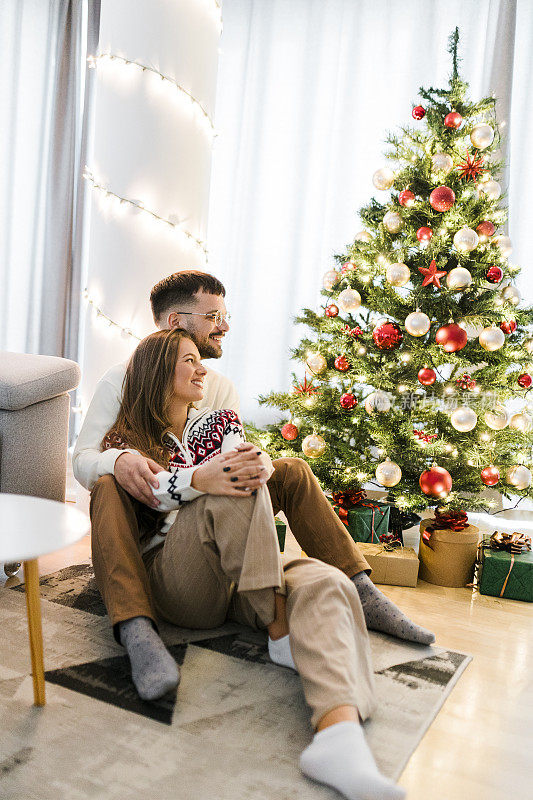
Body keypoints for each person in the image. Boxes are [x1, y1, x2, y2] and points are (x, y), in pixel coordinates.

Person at [75, 270, 434, 701]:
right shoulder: (122, 380)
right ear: (175, 323)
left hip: (210, 521)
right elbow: (84, 461)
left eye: (224, 316)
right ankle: (135, 627)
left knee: (293, 470)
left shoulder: (218, 389)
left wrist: (254, 464)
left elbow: (234, 454)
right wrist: (121, 458)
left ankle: (360, 589)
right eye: (214, 316)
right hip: (161, 537)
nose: (224, 327)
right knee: (107, 484)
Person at [96, 327, 405, 800]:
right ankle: (279, 628)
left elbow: (243, 459)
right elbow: (156, 495)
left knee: (324, 582)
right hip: (180, 581)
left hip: (240, 578)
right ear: (160, 371)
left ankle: (338, 735)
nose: (202, 368)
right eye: (189, 360)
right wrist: (205, 477)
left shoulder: (216, 419)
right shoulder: (127, 436)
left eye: (201, 359)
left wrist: (256, 462)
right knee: (230, 491)